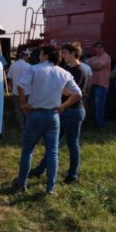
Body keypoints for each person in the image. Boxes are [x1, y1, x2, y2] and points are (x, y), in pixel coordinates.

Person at [15, 45, 82, 195]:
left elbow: (20, 86)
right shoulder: (63, 72)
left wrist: (23, 104)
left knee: (27, 151)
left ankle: (21, 184)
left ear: (45, 55)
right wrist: (62, 106)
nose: (39, 56)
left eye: (40, 54)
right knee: (52, 152)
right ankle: (50, 188)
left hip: (35, 114)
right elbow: (77, 94)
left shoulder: (34, 69)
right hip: (53, 116)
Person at [30, 43, 88, 184]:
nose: (62, 56)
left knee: (72, 143)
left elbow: (71, 93)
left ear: (74, 53)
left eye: (65, 53)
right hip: (63, 110)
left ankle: (72, 175)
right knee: (53, 143)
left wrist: (57, 92)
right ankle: (41, 169)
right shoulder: (67, 69)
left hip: (74, 111)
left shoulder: (80, 70)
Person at [86, 42, 111, 128]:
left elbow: (99, 66)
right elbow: (86, 64)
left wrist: (91, 66)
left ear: (103, 48)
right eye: (97, 47)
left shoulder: (106, 57)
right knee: (95, 104)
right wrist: (93, 65)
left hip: (102, 84)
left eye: (100, 47)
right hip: (94, 83)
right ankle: (97, 122)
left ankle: (100, 124)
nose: (98, 49)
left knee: (99, 104)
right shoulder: (94, 57)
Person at [7, 49, 31, 130]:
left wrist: (9, 86)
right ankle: (28, 124)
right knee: (27, 108)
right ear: (24, 56)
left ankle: (21, 126)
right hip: (27, 91)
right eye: (27, 56)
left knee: (18, 109)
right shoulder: (28, 66)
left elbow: (10, 78)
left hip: (16, 91)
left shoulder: (13, 66)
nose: (28, 58)